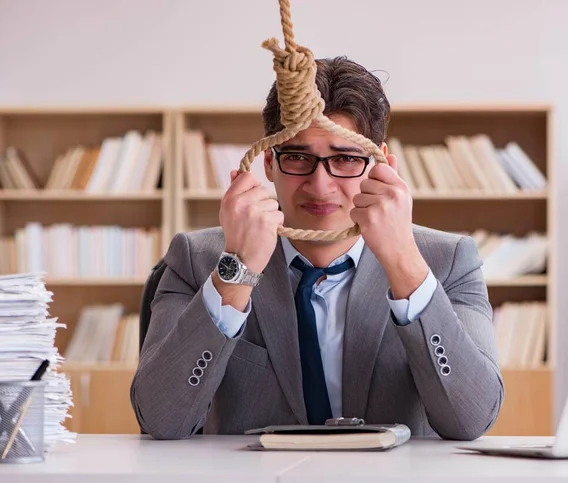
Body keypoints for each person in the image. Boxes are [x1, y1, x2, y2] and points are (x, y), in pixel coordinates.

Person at [130, 56, 504, 441]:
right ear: (269, 164)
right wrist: (237, 272)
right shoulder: (196, 259)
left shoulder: (449, 260)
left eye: (344, 158)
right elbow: (161, 420)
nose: (320, 185)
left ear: (380, 163)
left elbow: (471, 420)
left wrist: (404, 263)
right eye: (297, 157)